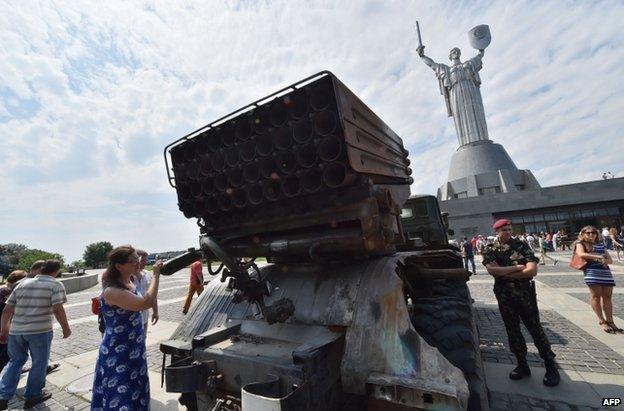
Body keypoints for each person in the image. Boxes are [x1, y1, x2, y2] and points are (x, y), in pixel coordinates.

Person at [482, 219, 560, 387]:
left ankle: (550, 366)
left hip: (525, 293)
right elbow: (491, 270)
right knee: (512, 330)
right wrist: (517, 268)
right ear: (497, 231)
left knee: (535, 328)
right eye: (504, 230)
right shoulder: (490, 249)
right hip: (505, 295)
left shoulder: (522, 245)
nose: (508, 232)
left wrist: (504, 273)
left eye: (509, 229)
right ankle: (522, 364)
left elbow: (531, 270)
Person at [91, 246, 161, 410]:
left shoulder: (129, 282)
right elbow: (145, 303)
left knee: (135, 387)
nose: (139, 263)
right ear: (119, 266)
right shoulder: (112, 291)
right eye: (133, 261)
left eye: (138, 260)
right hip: (118, 351)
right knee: (121, 392)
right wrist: (156, 275)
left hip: (133, 346)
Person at [0, 260, 70, 410]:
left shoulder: (22, 284)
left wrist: (4, 330)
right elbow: (58, 309)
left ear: (41, 269)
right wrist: (66, 328)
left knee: (15, 361)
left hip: (16, 331)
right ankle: (33, 395)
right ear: (56, 271)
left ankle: (3, 396)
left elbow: (7, 310)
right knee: (39, 362)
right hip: (39, 331)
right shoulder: (55, 285)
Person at [574, 226, 621, 333]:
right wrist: (599, 257)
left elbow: (610, 260)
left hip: (605, 272)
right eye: (588, 233)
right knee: (596, 296)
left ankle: (610, 321)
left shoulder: (600, 244)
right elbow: (581, 254)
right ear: (583, 234)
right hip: (592, 272)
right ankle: (602, 321)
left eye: (593, 233)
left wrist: (604, 260)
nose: (591, 235)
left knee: (607, 296)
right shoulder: (580, 243)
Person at [0, 271, 27, 374]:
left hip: (5, 325)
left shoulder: (4, 289)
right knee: (5, 354)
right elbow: (6, 311)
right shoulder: (7, 292)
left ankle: (18, 368)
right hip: (4, 327)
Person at [134, 250, 159, 332]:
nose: (145, 263)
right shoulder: (127, 277)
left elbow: (153, 295)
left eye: (146, 260)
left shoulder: (147, 274)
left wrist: (155, 312)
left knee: (143, 340)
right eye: (142, 261)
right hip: (132, 320)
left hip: (144, 317)